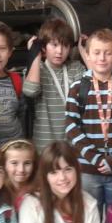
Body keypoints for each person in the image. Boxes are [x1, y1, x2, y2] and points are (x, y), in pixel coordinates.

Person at [65, 29, 112, 212]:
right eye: (97, 52)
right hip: (87, 170)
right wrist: (96, 159)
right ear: (87, 55)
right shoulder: (77, 88)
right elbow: (72, 128)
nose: (102, 58)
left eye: (108, 53)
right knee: (89, 218)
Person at [24, 18, 85, 152]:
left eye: (65, 46)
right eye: (54, 45)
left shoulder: (75, 68)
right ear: (43, 47)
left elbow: (92, 92)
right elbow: (30, 91)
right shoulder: (37, 69)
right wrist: (35, 54)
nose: (59, 51)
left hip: (73, 144)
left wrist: (84, 52)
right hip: (44, 145)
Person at [2, 139, 37, 210]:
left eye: (27, 163)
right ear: (4, 164)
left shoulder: (38, 190)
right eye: (14, 163)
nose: (21, 169)